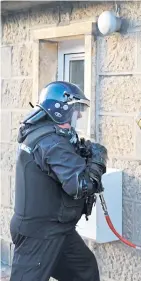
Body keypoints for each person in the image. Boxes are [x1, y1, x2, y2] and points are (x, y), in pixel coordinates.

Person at [10, 81, 108, 281]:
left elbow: (64, 159)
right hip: (39, 233)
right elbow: (81, 185)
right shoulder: (51, 142)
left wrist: (84, 151)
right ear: (60, 110)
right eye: (76, 110)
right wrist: (97, 162)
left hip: (57, 227)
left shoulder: (47, 135)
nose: (79, 115)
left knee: (84, 271)